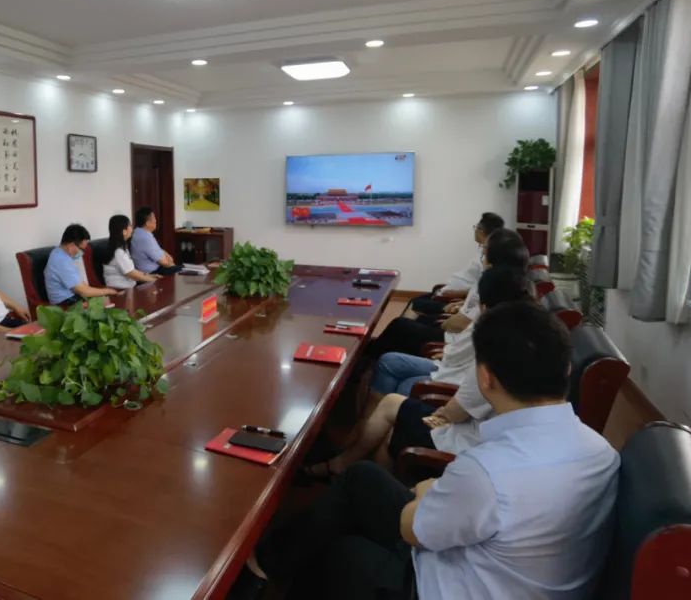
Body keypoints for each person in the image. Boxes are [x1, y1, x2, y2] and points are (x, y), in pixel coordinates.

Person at [248, 301, 619, 600]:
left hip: (450, 582)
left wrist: (426, 493)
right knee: (361, 478)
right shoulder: (601, 451)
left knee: (345, 555)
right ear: (566, 369)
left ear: (485, 378)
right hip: (503, 570)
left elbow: (412, 530)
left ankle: (269, 572)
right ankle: (267, 563)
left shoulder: (488, 470)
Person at [308, 266, 533, 478]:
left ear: (483, 307)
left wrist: (443, 414)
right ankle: (360, 441)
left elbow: (457, 410)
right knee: (391, 368)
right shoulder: (524, 336)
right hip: (478, 430)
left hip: (467, 438)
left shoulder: (495, 347)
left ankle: (355, 465)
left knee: (396, 412)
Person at [367, 228, 528, 358]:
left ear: (495, 255)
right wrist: (461, 306)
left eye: (485, 251)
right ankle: (374, 354)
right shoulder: (509, 281)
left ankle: (369, 359)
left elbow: (460, 324)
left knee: (400, 325)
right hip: (456, 335)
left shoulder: (495, 286)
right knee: (403, 323)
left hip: (452, 342)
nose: (482, 255)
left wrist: (448, 320)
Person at [409, 212, 503, 318]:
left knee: (414, 304)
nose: (474, 230)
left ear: (481, 231)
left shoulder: (489, 257)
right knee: (416, 301)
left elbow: (481, 290)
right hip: (449, 293)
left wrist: (459, 294)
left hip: (454, 300)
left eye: (475, 227)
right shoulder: (482, 249)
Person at [44, 224, 119, 306]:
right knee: (104, 303)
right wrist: (108, 291)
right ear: (71, 245)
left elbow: (81, 285)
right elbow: (84, 291)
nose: (82, 253)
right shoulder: (61, 260)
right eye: (81, 249)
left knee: (105, 299)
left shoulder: (58, 252)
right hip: (64, 303)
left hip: (73, 296)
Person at [101, 214, 161, 290]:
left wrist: (149, 275)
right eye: (130, 226)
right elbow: (132, 274)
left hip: (129, 287)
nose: (132, 228)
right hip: (120, 290)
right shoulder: (118, 252)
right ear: (124, 232)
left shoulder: (121, 248)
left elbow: (132, 270)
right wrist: (154, 280)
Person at [130, 207, 182, 275]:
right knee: (184, 271)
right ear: (147, 223)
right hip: (152, 272)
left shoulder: (138, 232)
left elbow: (158, 250)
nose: (156, 220)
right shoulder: (145, 238)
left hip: (155, 268)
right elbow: (164, 263)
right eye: (154, 218)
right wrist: (173, 266)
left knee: (182, 269)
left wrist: (169, 259)